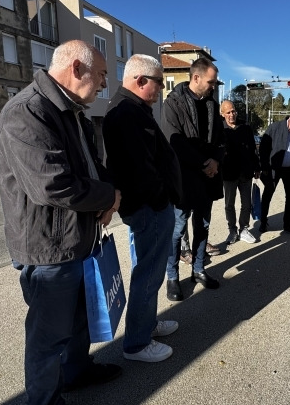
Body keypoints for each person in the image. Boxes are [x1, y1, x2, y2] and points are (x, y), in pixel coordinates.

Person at [0, 40, 122, 405]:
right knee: (48, 338)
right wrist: (109, 197)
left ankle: (77, 372)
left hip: (75, 239)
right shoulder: (27, 112)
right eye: (100, 75)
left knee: (79, 319)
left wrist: (111, 190)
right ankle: (45, 400)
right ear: (76, 69)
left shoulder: (69, 111)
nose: (102, 84)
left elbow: (91, 167)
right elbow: (52, 185)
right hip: (48, 249)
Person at [103, 54, 183, 363]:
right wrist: (161, 198)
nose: (162, 88)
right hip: (149, 208)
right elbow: (139, 168)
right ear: (140, 81)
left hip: (152, 205)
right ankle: (136, 343)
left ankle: (147, 324)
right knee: (148, 274)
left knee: (151, 271)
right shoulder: (125, 112)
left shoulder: (134, 109)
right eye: (159, 82)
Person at [161, 57, 225, 301]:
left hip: (207, 179)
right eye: (211, 81)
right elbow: (174, 141)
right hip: (183, 180)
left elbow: (221, 140)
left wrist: (216, 161)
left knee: (203, 227)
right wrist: (203, 163)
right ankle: (172, 278)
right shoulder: (173, 104)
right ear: (195, 78)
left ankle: (198, 270)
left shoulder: (211, 103)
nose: (214, 86)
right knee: (177, 229)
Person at [258, 109, 290, 235]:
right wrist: (264, 167)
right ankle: (263, 222)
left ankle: (288, 224)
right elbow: (263, 149)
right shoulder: (274, 128)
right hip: (273, 169)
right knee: (267, 196)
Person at [219, 99, 260, 245]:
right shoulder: (219, 129)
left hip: (245, 172)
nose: (232, 114)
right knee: (229, 204)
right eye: (228, 112)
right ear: (222, 114)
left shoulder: (245, 127)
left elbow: (252, 149)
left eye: (233, 111)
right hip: (229, 174)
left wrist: (257, 167)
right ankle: (232, 230)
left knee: (246, 203)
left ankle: (244, 229)